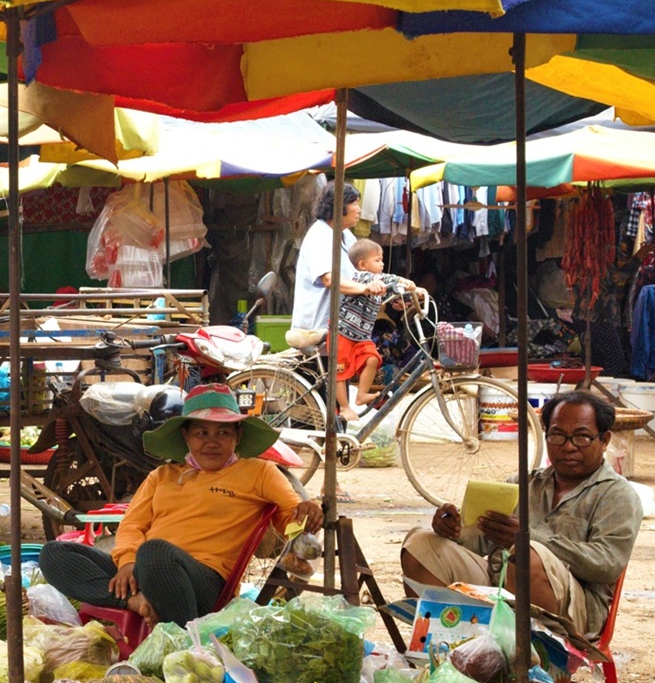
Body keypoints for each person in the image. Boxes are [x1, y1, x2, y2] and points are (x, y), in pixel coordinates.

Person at [39, 385, 323, 627]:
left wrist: (307, 510)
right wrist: (127, 562)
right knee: (55, 553)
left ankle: (184, 642)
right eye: (201, 433)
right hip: (146, 571)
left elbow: (292, 516)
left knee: (156, 551)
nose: (212, 443)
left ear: (237, 437)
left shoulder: (260, 472)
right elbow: (132, 526)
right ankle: (136, 601)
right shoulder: (161, 476)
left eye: (223, 433)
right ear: (186, 437)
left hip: (205, 583)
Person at [400, 392, 641, 640]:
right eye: (557, 435)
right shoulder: (522, 484)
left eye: (581, 437)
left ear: (604, 440)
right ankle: (446, 647)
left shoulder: (617, 494)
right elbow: (477, 541)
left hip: (573, 611)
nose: (568, 446)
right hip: (501, 588)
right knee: (421, 545)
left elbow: (607, 565)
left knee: (526, 555)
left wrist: (527, 539)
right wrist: (451, 528)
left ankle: (528, 661)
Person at [289, 184, 362, 415]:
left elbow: (363, 271)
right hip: (317, 327)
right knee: (317, 406)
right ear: (339, 207)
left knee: (337, 400)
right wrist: (366, 289)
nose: (359, 209)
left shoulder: (345, 236)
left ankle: (336, 444)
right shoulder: (320, 235)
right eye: (354, 203)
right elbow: (330, 279)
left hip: (338, 328)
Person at [335, 238, 405, 420]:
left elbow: (390, 289)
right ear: (362, 265)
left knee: (373, 359)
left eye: (382, 259)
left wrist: (409, 294)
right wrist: (408, 283)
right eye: (377, 260)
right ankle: (344, 407)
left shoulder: (377, 286)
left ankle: (361, 395)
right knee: (340, 371)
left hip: (362, 336)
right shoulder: (362, 277)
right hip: (342, 333)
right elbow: (386, 279)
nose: (382, 264)